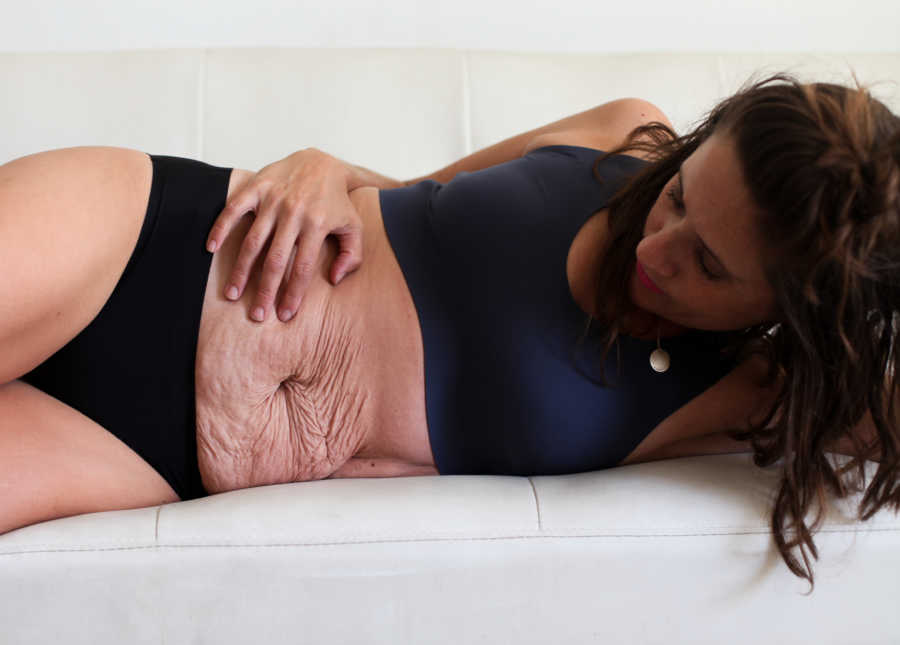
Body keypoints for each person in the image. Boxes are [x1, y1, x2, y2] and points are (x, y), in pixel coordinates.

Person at [0, 72, 896, 592]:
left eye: (710, 265)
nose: (660, 247)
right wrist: (320, 166)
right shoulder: (620, 134)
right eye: (680, 194)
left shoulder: (752, 389)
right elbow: (401, 188)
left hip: (159, 452)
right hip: (157, 242)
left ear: (796, 313)